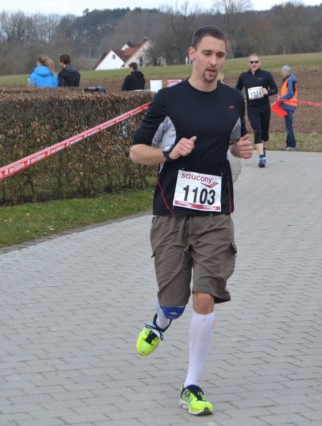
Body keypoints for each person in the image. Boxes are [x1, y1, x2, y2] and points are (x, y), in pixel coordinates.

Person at [129, 25, 252, 417]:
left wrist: (241, 149)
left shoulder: (232, 100)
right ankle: (160, 321)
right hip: (172, 213)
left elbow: (234, 139)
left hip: (215, 213)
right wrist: (169, 152)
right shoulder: (168, 100)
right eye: (208, 53)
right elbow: (136, 151)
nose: (214, 61)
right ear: (192, 54)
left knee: (205, 295)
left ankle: (191, 385)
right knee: (174, 302)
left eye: (220, 55)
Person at [235, 53, 278, 167]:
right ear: (248, 63)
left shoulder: (266, 75)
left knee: (265, 134)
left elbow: (275, 89)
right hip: (252, 108)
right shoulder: (243, 76)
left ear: (260, 62)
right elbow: (237, 90)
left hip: (264, 108)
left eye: (256, 62)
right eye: (251, 62)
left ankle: (263, 148)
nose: (254, 64)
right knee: (257, 131)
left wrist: (268, 92)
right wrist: (238, 98)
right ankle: (261, 157)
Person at [278, 65, 298, 151]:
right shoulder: (288, 79)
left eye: (282, 71)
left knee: (289, 126)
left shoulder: (290, 80)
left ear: (287, 71)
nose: (281, 73)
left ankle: (291, 145)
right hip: (288, 105)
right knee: (288, 126)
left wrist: (281, 98)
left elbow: (290, 93)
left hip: (289, 106)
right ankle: (289, 145)